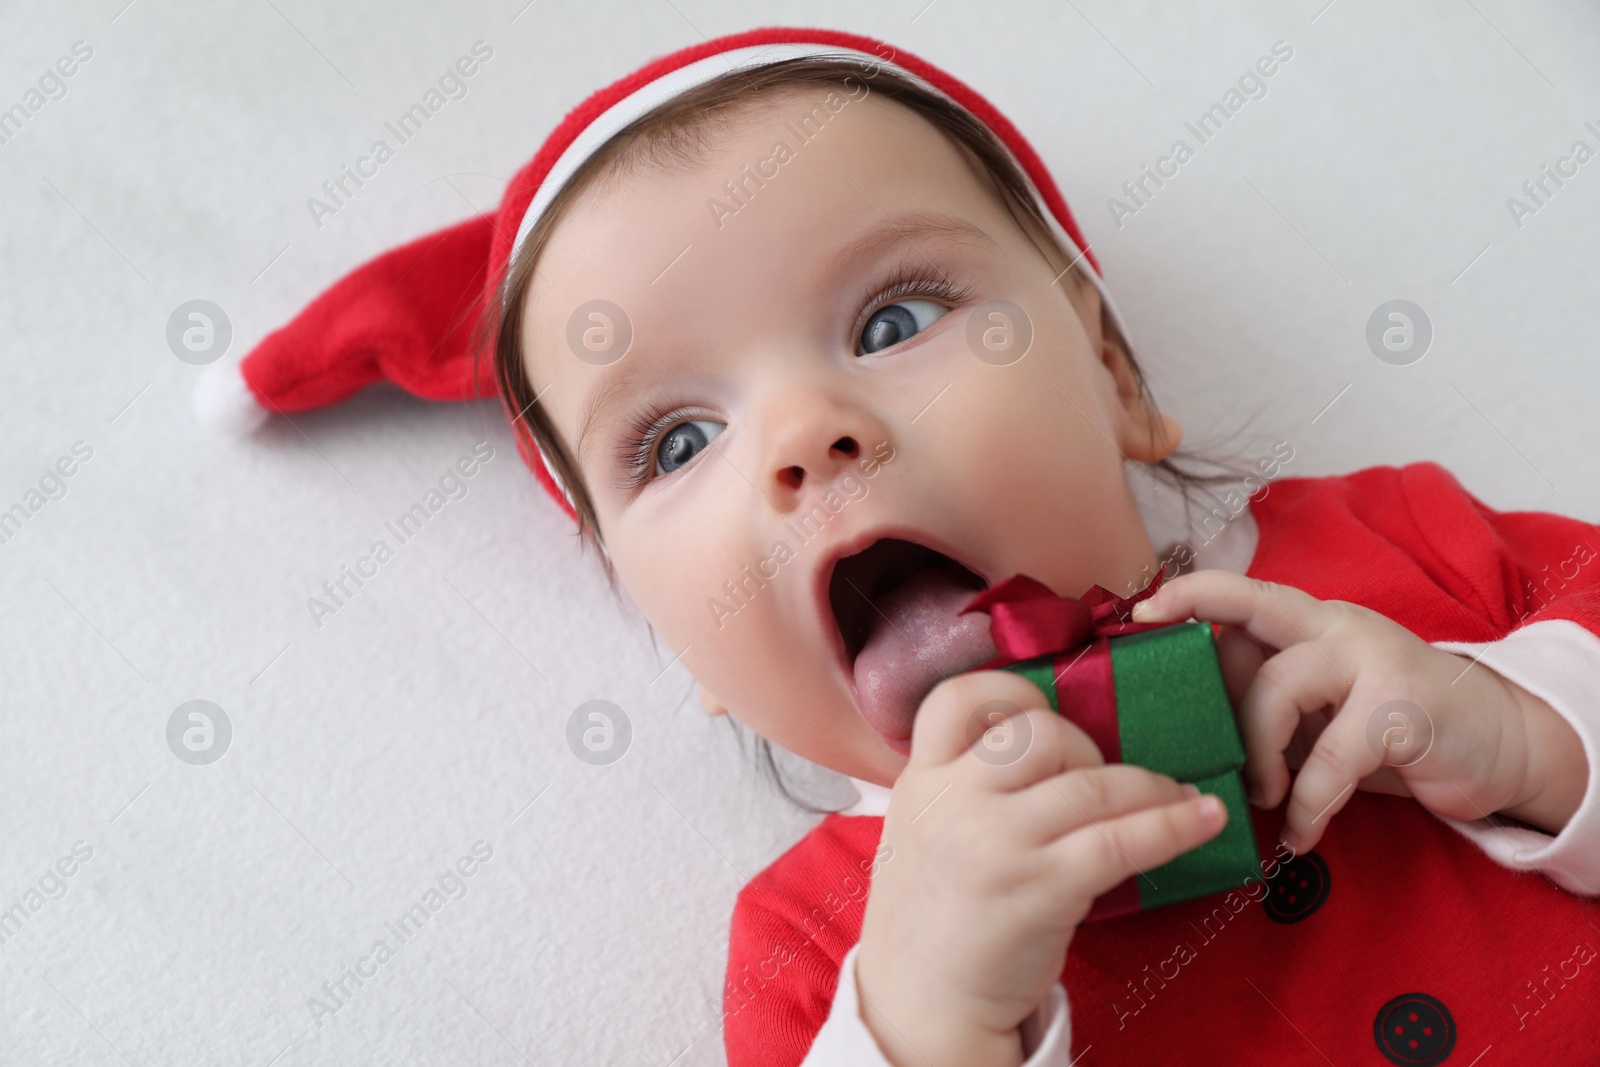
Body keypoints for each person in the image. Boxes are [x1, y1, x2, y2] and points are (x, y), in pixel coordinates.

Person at [199, 27, 1600, 1065]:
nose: (808, 435)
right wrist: (932, 1016)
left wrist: (1533, 741)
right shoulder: (833, 955)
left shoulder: (1408, 555)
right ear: (679, 645)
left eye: (891, 321)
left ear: (1111, 374)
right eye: (675, 443)